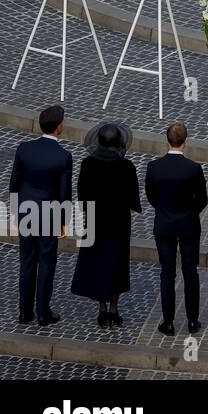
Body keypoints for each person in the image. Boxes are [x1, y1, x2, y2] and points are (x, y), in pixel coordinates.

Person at [70, 123, 141, 327]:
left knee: (98, 263)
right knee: (117, 264)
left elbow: (82, 198)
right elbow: (133, 198)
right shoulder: (126, 167)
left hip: (96, 220)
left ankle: (102, 308)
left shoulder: (88, 164)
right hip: (118, 222)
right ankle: (114, 308)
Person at [9, 105, 72, 327]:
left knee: (26, 262)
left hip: (26, 211)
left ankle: (25, 312)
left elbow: (14, 184)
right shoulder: (63, 156)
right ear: (58, 128)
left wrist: (16, 212)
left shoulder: (24, 149)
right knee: (46, 263)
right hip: (49, 215)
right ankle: (43, 312)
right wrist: (64, 221)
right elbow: (65, 194)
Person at [144, 122, 207, 335]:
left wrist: (164, 210)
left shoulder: (154, 167)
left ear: (167, 140)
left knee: (167, 273)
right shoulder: (193, 168)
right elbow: (202, 199)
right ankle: (192, 320)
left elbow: (151, 196)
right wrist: (190, 212)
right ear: (185, 141)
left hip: (164, 224)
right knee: (190, 273)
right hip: (188, 224)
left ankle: (168, 321)